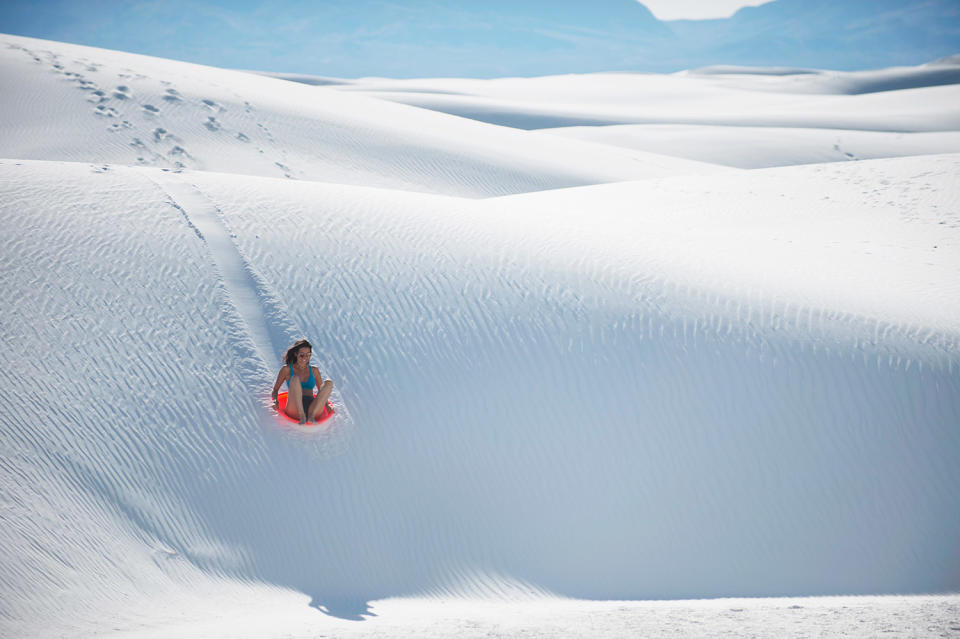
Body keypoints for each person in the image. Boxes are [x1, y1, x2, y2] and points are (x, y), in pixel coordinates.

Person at [271, 339, 334, 424]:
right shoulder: (287, 370)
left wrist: (327, 405)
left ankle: (311, 417)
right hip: (294, 407)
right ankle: (301, 415)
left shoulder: (314, 370)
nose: (305, 358)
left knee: (328, 383)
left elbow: (321, 392)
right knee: (295, 379)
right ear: (295, 354)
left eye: (308, 355)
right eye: (301, 355)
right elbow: (275, 390)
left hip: (312, 408)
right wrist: (275, 401)